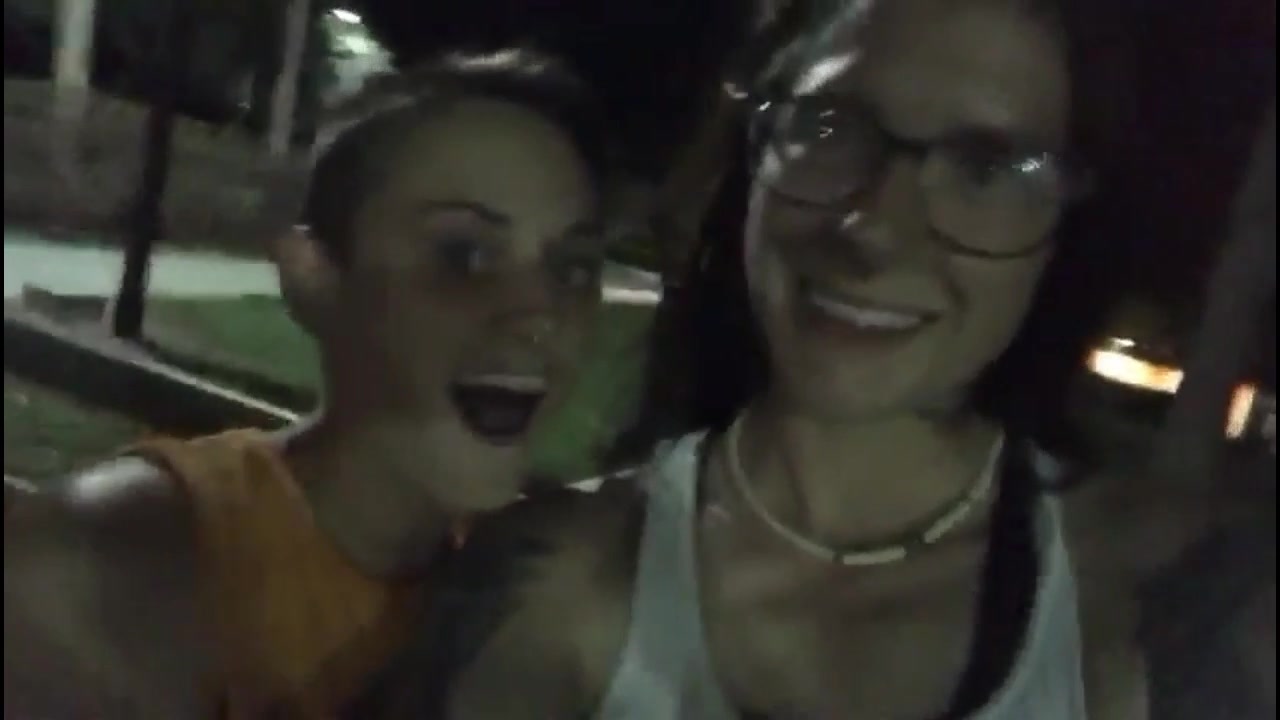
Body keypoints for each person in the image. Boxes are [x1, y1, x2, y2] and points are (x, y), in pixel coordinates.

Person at [349, 1, 1272, 719]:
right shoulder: (548, 582)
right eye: (831, 128)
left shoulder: (1169, 607)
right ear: (753, 153)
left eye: (987, 168)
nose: (875, 228)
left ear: (1066, 223)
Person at [3, 48, 617, 718]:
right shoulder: (105, 573)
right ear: (312, 278)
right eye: (463, 255)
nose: (542, 316)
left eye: (572, 268)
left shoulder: (534, 599)